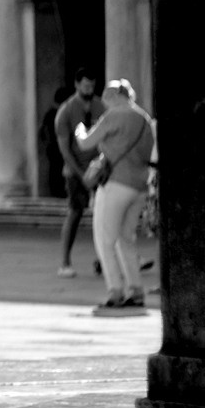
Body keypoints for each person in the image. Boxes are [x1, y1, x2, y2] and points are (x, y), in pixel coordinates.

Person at [81, 77, 156, 311]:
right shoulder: (144, 119)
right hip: (139, 186)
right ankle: (136, 291)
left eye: (106, 99)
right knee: (126, 239)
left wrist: (79, 130)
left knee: (105, 239)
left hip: (115, 184)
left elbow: (86, 143)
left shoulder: (115, 116)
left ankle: (115, 291)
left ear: (114, 97)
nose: (105, 104)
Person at [53, 72, 100, 277]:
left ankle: (103, 259)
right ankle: (65, 262)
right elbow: (65, 149)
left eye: (91, 86)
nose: (88, 90)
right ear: (76, 84)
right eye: (85, 86)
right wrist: (81, 175)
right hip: (74, 171)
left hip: (99, 168)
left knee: (104, 216)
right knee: (75, 213)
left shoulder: (102, 106)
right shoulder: (66, 111)